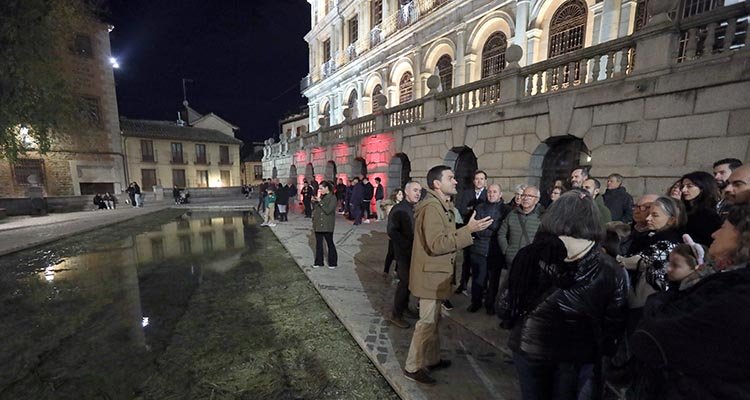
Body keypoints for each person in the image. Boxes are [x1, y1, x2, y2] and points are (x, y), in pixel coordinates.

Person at [503, 189, 628, 400]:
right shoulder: (611, 269)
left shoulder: (530, 255)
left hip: (531, 345)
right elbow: (614, 321)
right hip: (579, 353)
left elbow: (505, 305)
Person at [630, 205, 750, 400]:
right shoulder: (726, 283)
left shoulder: (737, 293)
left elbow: (653, 341)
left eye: (724, 228)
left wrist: (661, 302)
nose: (714, 233)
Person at [403, 165, 492, 385]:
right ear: (436, 183)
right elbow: (437, 244)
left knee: (434, 320)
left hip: (436, 275)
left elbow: (445, 235)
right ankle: (412, 366)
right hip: (430, 276)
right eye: (450, 178)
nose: (456, 182)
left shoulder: (443, 205)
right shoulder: (433, 207)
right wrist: (468, 231)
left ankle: (431, 359)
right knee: (426, 323)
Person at [618, 196, 685, 330]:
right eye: (649, 214)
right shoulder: (651, 236)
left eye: (655, 215)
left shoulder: (668, 241)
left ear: (671, 220)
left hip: (650, 303)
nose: (648, 219)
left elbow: (637, 261)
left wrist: (617, 259)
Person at [468, 184, 509, 314]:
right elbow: (476, 228)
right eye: (490, 191)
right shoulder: (480, 207)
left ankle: (490, 304)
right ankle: (475, 303)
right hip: (479, 249)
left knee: (493, 281)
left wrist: (487, 225)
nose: (491, 194)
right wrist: (489, 225)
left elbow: (502, 230)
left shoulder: (506, 210)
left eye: (495, 192)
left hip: (495, 251)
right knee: (477, 279)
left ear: (500, 194)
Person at [387, 181, 422, 329]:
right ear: (406, 192)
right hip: (403, 253)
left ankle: (405, 307)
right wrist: (407, 245)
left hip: (415, 252)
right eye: (415, 190)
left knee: (410, 283)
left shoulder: (416, 207)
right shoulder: (399, 209)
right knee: (405, 282)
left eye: (419, 191)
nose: (418, 193)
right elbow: (392, 231)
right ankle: (397, 314)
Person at [498, 186, 543, 284]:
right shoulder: (512, 214)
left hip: (531, 262)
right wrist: (507, 251)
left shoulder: (542, 217)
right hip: (512, 260)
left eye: (529, 196)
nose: (525, 198)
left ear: (536, 200)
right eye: (524, 195)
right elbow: (501, 233)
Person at [455, 170, 488, 295]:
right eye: (477, 179)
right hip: (467, 230)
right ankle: (463, 284)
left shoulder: (488, 194)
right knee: (466, 259)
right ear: (474, 181)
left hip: (482, 234)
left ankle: (482, 287)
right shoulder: (466, 193)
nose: (479, 181)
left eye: (481, 179)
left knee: (481, 263)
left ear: (485, 181)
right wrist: (472, 211)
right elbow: (462, 209)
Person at [679, 171, 722, 246]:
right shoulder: (683, 210)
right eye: (682, 186)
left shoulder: (709, 215)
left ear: (703, 188)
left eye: (689, 186)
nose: (683, 190)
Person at [312, 181, 338, 269]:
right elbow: (318, 209)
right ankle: (319, 262)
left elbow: (328, 210)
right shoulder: (322, 197)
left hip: (327, 225)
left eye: (321, 188)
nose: (320, 190)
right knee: (318, 244)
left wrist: (320, 202)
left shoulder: (333, 197)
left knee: (329, 243)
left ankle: (332, 262)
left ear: (327, 188)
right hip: (319, 224)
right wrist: (315, 202)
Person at [383, 188, 404, 274]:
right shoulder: (391, 205)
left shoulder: (404, 205)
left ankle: (396, 270)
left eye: (402, 194)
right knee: (391, 253)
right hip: (393, 231)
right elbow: (390, 217)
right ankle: (386, 270)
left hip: (401, 232)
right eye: (399, 194)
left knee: (400, 253)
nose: (401, 196)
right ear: (395, 195)